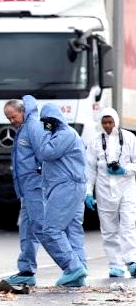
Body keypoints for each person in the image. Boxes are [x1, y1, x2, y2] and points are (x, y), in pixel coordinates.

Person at [38, 103, 88, 286]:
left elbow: (47, 152)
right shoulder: (61, 135)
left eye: (48, 121)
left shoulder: (64, 134)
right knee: (72, 229)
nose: (46, 125)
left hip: (66, 186)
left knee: (51, 230)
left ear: (56, 120)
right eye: (43, 122)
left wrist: (42, 133)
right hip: (71, 185)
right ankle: (80, 271)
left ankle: (73, 267)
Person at [85, 107, 136, 278]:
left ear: (116, 121)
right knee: (108, 228)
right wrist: (88, 192)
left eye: (110, 122)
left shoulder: (129, 138)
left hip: (126, 188)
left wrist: (125, 170)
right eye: (104, 122)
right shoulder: (94, 142)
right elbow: (90, 169)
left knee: (128, 225)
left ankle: (132, 261)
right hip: (104, 190)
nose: (107, 125)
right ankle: (115, 265)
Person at [2, 95, 45, 286]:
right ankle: (26, 270)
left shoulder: (33, 129)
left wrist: (39, 176)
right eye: (8, 118)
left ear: (23, 112)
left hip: (35, 187)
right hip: (26, 190)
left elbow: (44, 155)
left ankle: (72, 266)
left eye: (13, 117)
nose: (11, 121)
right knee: (27, 230)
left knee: (43, 230)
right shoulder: (21, 131)